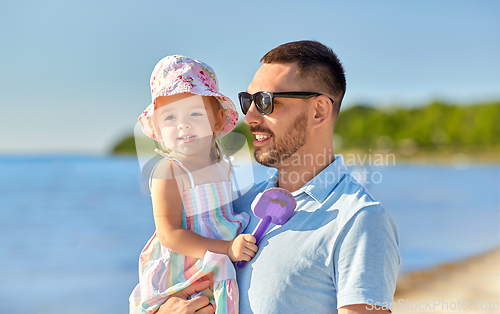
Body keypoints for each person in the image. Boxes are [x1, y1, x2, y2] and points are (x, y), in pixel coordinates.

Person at [158, 41, 401, 314]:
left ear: (319, 110)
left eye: (265, 101)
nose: (248, 116)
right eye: (247, 101)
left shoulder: (359, 221)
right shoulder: (235, 209)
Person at [129, 55, 258, 314]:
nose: (182, 124)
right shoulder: (169, 170)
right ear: (157, 127)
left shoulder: (225, 166)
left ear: (217, 121)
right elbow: (170, 234)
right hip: (184, 265)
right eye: (170, 118)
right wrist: (227, 248)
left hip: (216, 256)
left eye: (195, 113)